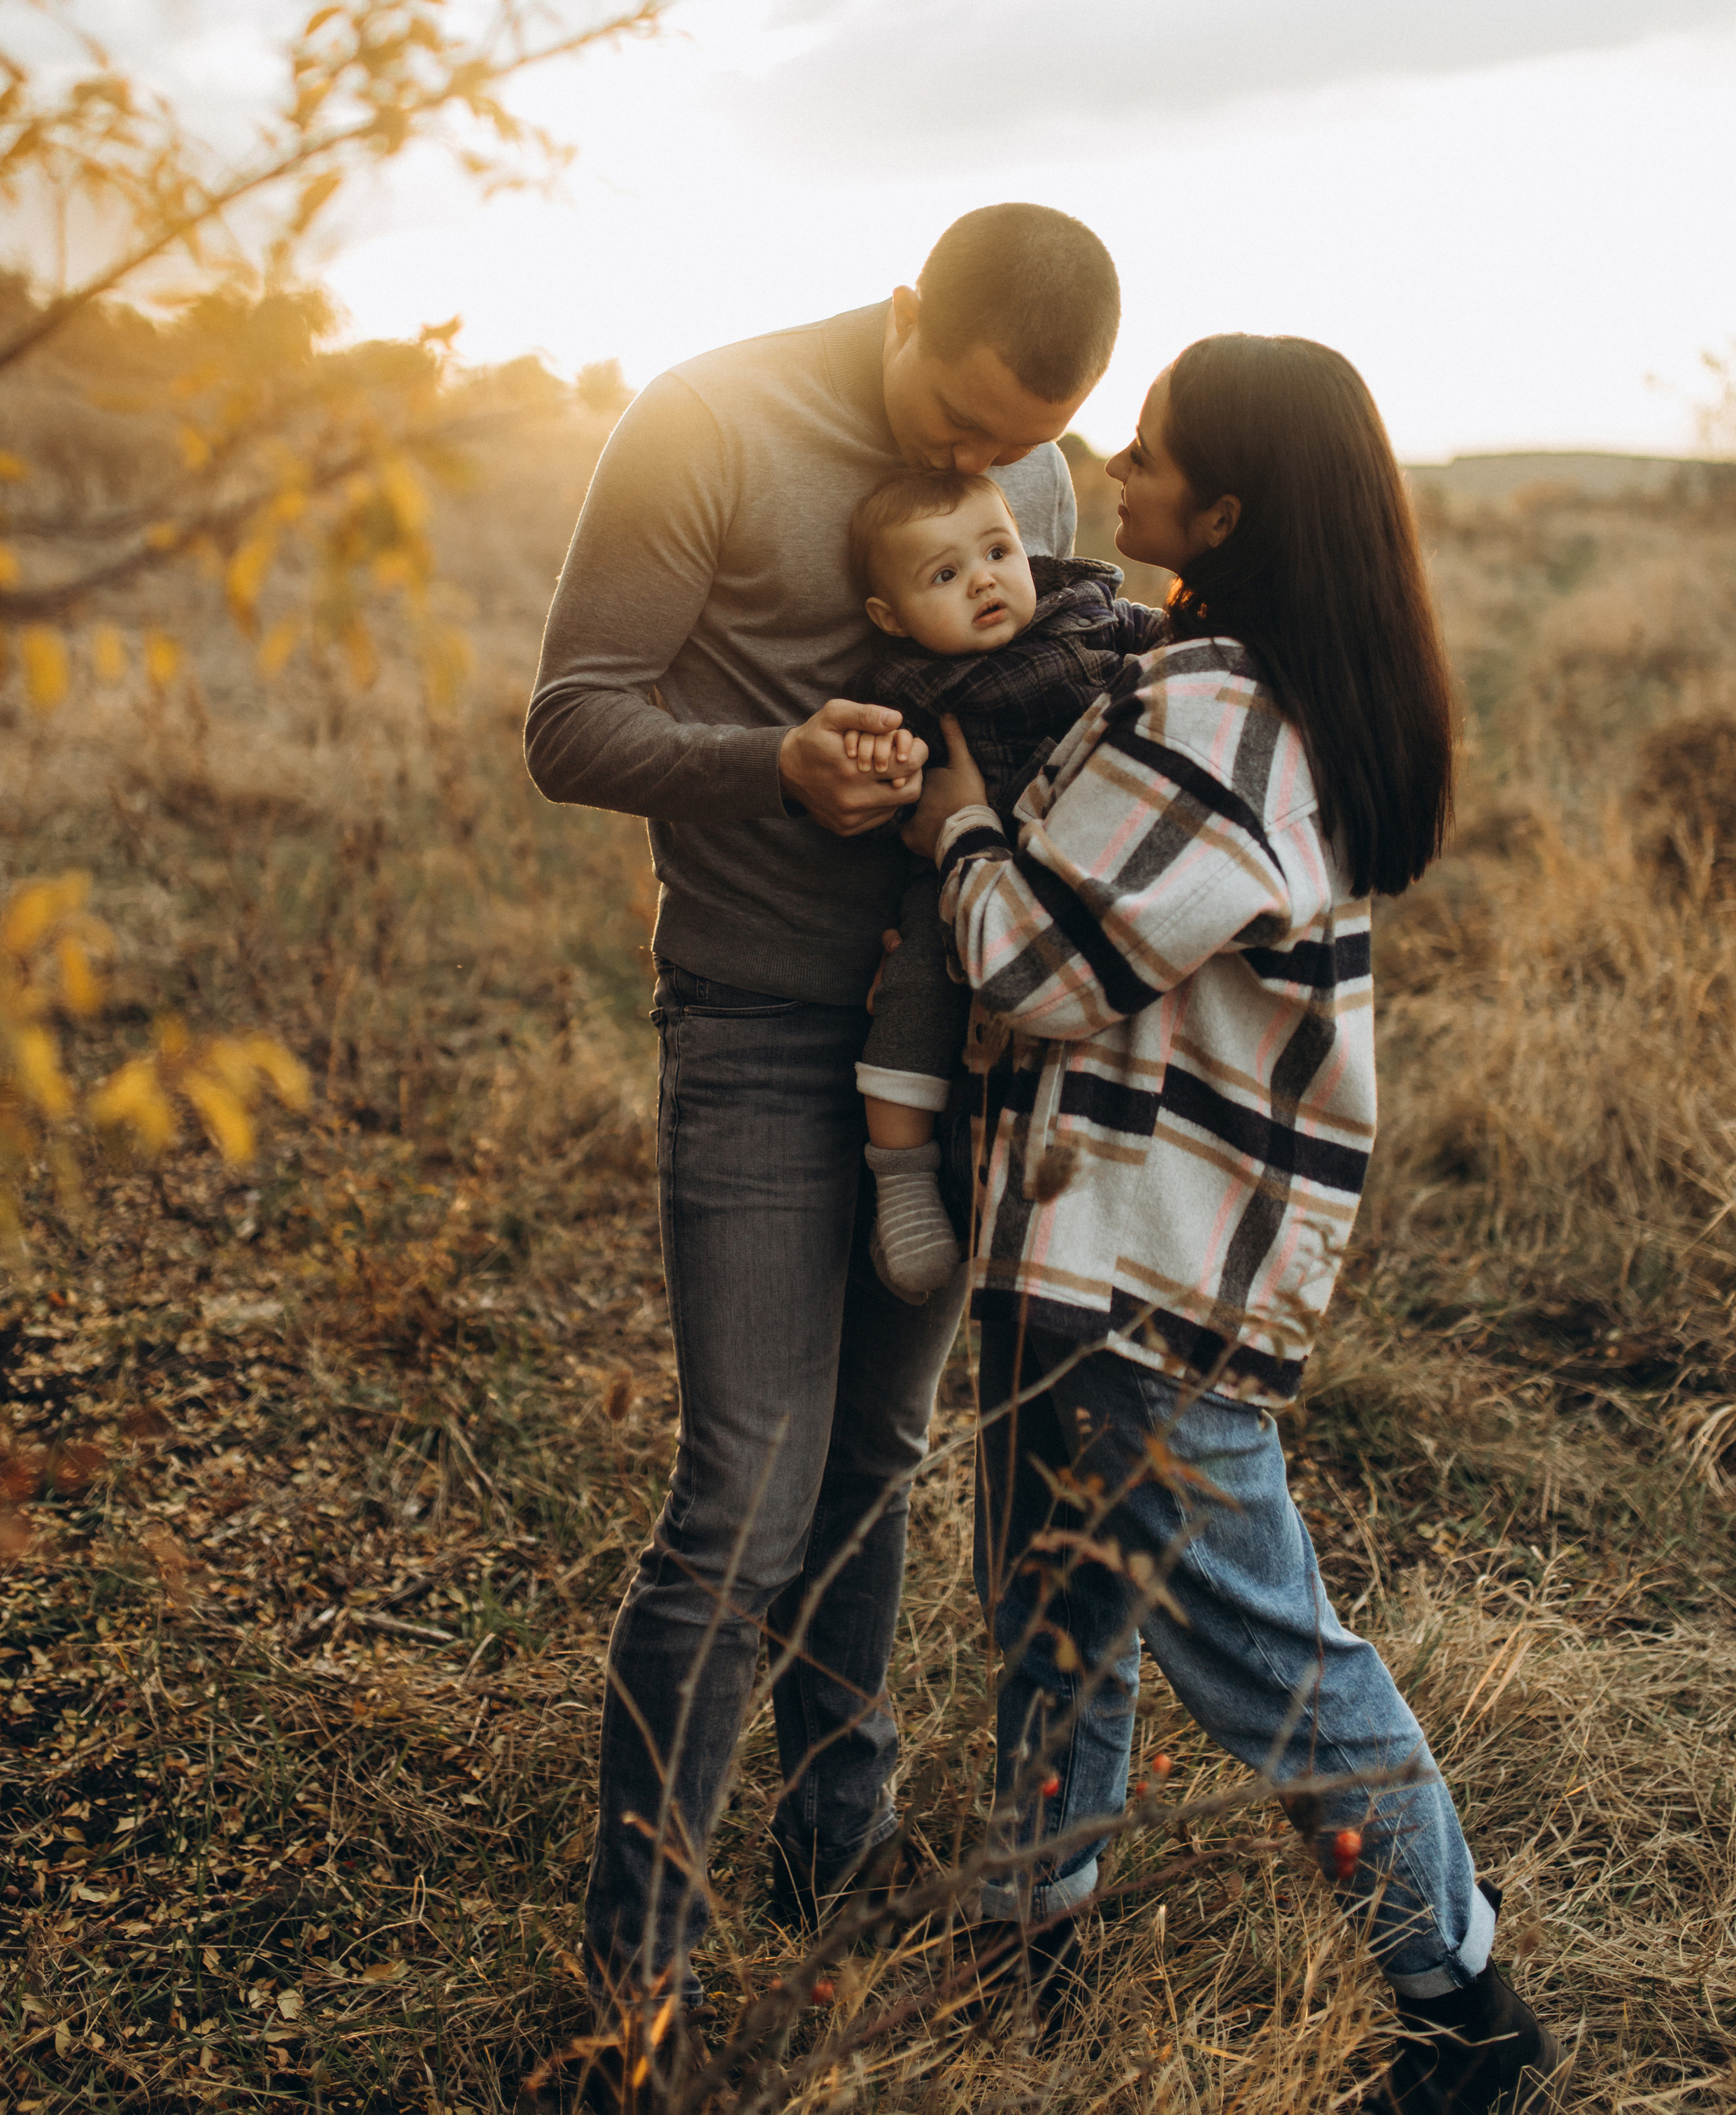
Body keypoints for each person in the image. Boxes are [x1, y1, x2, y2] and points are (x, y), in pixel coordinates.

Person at [904, 335, 1561, 2115]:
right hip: (1097, 1242)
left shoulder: (1218, 717)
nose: (1114, 462)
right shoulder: (1252, 683)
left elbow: (1032, 964)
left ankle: (1462, 2015)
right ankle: (1029, 1934)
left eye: (1153, 449)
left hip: (1138, 1259)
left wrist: (954, 806)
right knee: (1055, 1611)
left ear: (1226, 508)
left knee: (1267, 1651)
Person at [522, 204, 1120, 2093]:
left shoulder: (1037, 461)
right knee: (747, 1500)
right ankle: (638, 1969)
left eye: (1019, 447)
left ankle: (833, 1845)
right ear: (900, 311)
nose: (980, 470)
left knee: (880, 1458)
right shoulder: (705, 423)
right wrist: (767, 761)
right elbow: (569, 723)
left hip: (958, 1045)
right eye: (956, 423)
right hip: (764, 1027)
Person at [839, 466, 1169, 1302]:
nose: (984, 579)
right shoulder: (905, 686)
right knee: (914, 986)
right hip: (954, 884)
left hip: (1079, 868)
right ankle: (903, 1173)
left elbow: (1178, 644)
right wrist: (893, 759)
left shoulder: (1087, 615)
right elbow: (880, 768)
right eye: (944, 576)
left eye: (997, 551)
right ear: (892, 617)